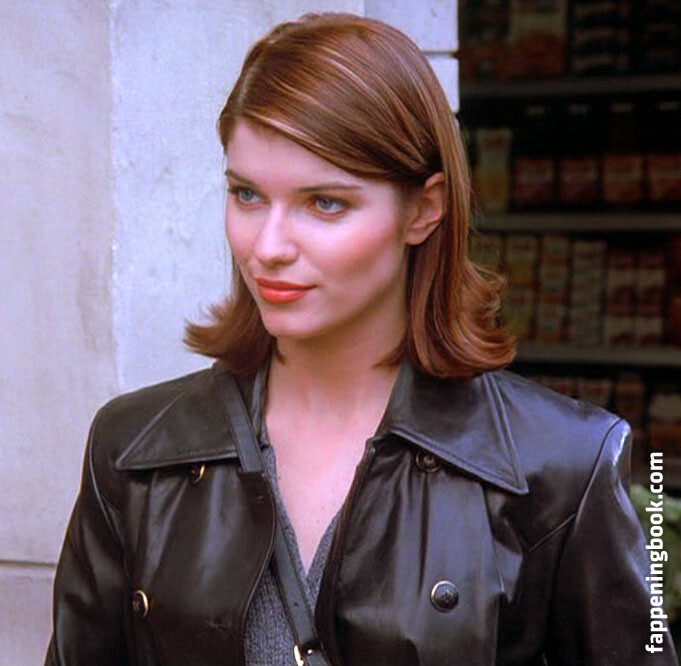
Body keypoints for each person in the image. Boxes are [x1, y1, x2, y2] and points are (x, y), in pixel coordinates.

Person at [44, 11, 678, 666]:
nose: (268, 246)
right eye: (247, 195)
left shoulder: (563, 465)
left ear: (424, 210)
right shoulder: (133, 450)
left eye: (325, 203)